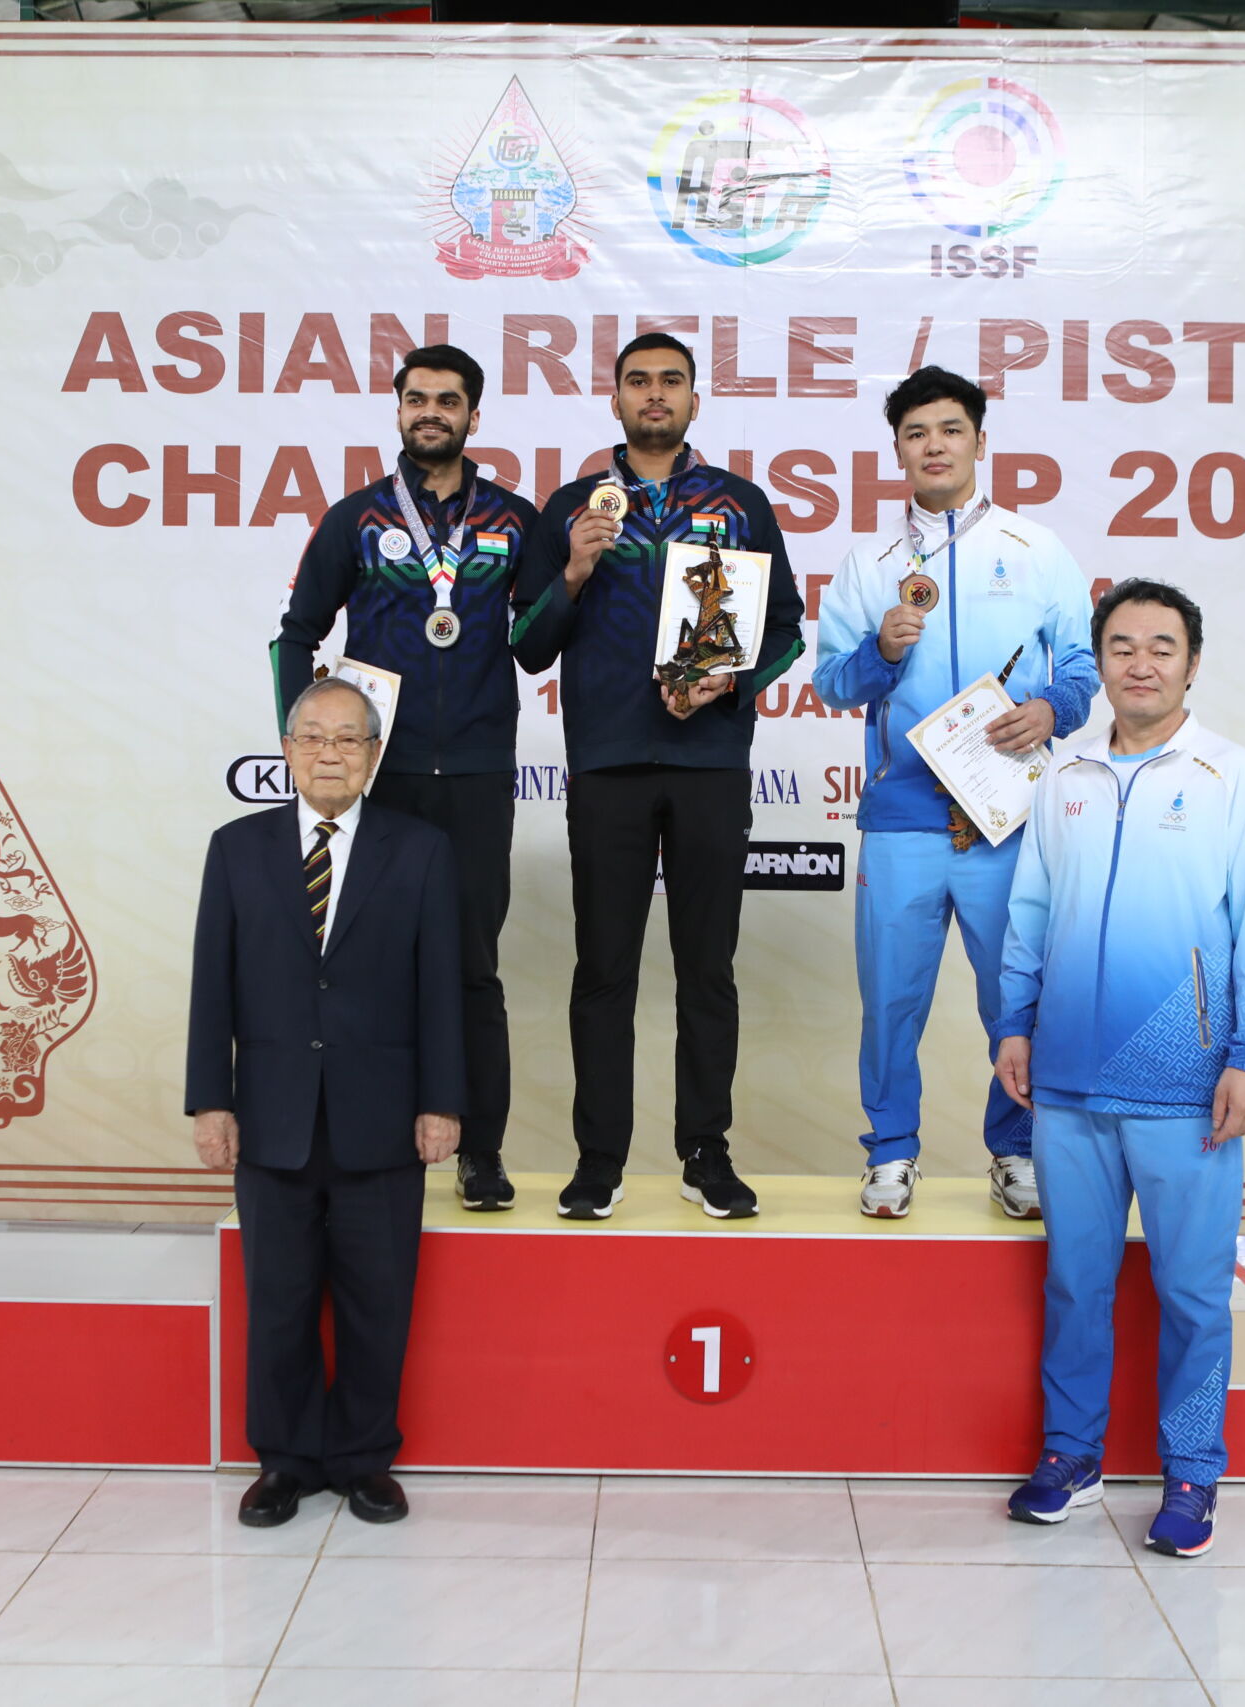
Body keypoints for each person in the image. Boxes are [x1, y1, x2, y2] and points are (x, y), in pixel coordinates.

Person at [993, 579, 1245, 1554]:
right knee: (1075, 1285)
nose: (1140, 663)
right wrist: (1014, 1022)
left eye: (1161, 646)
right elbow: (1031, 908)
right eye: (1121, 646)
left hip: (1184, 1084)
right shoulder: (1066, 774)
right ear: (1101, 663)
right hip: (1068, 1084)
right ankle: (1070, 1456)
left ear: (1191, 665)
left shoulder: (1227, 775)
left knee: (1194, 1296)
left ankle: (1192, 1474)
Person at [512, 332, 805, 1221]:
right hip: (608, 763)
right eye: (637, 381)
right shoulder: (571, 505)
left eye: (670, 381)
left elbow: (785, 629)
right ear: (615, 400)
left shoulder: (739, 502)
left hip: (710, 762)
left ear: (693, 400)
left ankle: (704, 1150)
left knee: (706, 969)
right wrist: (574, 568)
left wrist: (731, 681)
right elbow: (528, 645)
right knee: (604, 968)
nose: (654, 394)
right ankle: (598, 1158)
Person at [813, 366, 1098, 1221]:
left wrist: (1051, 710)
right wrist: (880, 654)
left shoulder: (1035, 548)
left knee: (1014, 998)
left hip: (1007, 818)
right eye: (916, 433)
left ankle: (1016, 1149)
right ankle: (891, 1150)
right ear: (897, 450)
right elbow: (832, 681)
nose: (933, 446)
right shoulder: (871, 564)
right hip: (903, 821)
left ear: (979, 440)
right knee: (891, 1001)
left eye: (950, 430)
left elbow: (1081, 666)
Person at [187, 678, 465, 1529]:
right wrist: (210, 1100)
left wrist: (442, 1101)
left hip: (383, 1117)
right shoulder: (235, 849)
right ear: (287, 750)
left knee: (378, 1300)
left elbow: (440, 989)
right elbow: (213, 986)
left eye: (348, 738)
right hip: (270, 1117)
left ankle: (363, 1457)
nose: (330, 753)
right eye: (313, 736)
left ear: (374, 755)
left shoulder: (420, 850)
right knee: (278, 1300)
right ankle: (285, 1459)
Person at [272, 344, 541, 1212]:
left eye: (448, 400)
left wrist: (571, 575)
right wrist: (301, 738)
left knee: (473, 970)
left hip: (476, 772)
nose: (432, 412)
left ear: (474, 415)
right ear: (398, 410)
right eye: (417, 398)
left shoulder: (514, 519)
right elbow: (297, 633)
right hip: (377, 779)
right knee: (368, 964)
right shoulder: (356, 519)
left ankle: (481, 1151)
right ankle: (374, 1141)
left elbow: (538, 642)